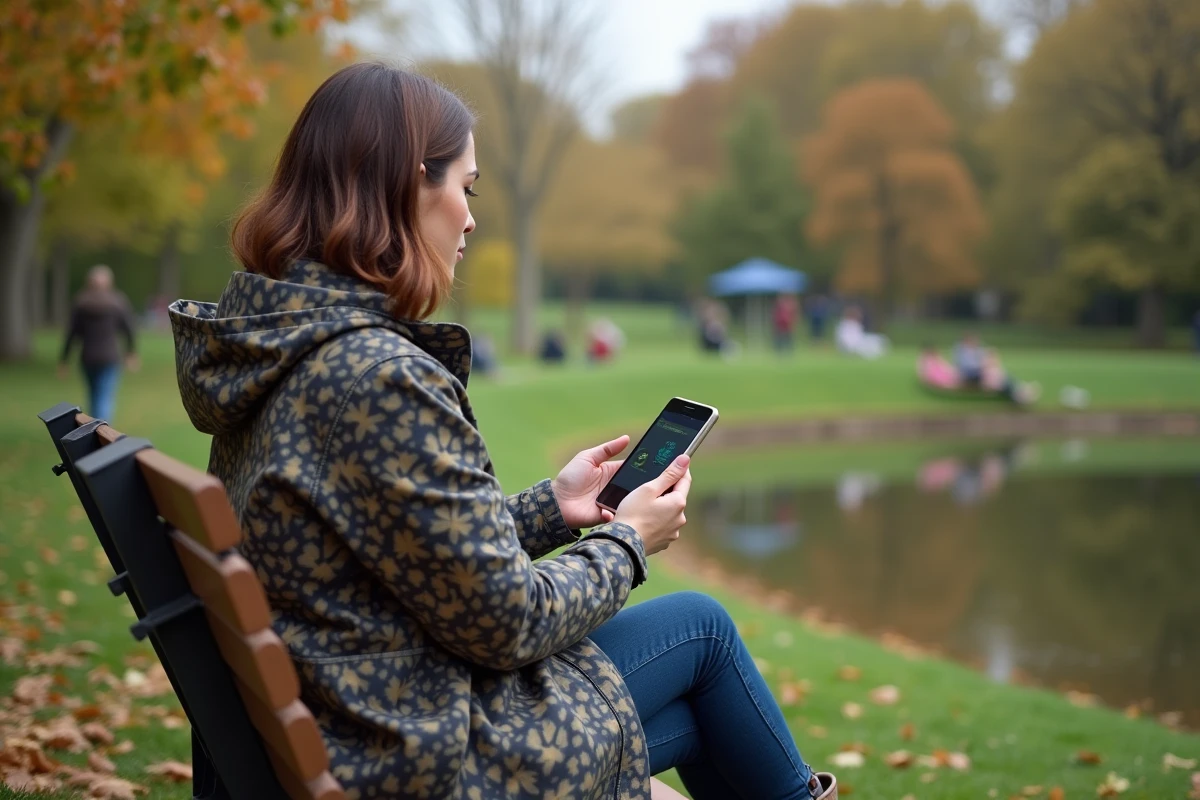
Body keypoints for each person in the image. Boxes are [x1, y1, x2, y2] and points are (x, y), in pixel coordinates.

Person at [168, 63, 835, 800]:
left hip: (350, 721)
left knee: (693, 676)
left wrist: (554, 506)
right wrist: (630, 540)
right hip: (409, 753)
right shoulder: (377, 376)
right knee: (703, 633)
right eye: (466, 187)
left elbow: (405, 551)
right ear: (407, 182)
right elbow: (507, 621)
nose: (472, 217)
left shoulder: (279, 347)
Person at [58, 264, 139, 422]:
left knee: (94, 394)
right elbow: (129, 329)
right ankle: (101, 428)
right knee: (104, 395)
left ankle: (95, 427)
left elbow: (72, 334)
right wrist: (131, 352)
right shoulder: (117, 302)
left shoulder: (81, 302)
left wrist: (64, 360)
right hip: (110, 356)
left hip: (88, 356)